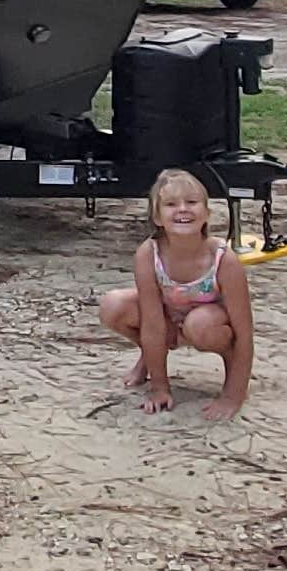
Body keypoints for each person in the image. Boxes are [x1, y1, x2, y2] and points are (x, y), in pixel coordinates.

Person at [98, 168, 255, 420]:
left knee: (199, 323)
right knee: (113, 305)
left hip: (210, 326)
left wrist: (233, 396)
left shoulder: (223, 259)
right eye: (171, 204)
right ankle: (149, 358)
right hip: (168, 321)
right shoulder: (148, 253)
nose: (183, 209)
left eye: (191, 202)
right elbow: (152, 322)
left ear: (207, 213)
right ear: (157, 218)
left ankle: (230, 366)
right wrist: (159, 388)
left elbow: (245, 333)